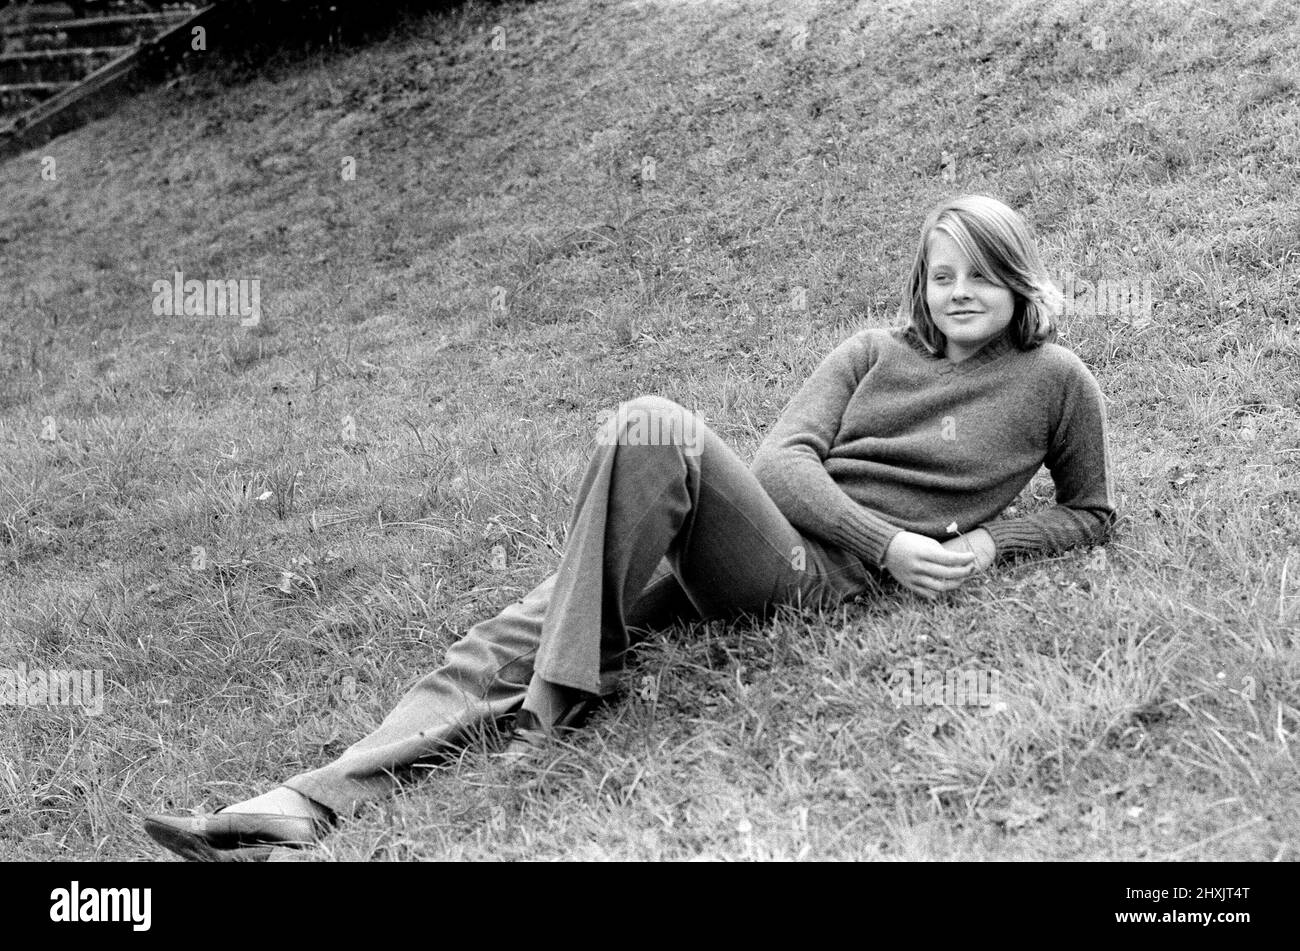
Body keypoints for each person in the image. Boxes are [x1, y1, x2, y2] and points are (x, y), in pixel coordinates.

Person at [143, 194, 1117, 860]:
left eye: (982, 275)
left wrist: (989, 543)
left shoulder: (1054, 383)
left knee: (654, 424)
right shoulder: (872, 351)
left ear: (1020, 279)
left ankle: (545, 712)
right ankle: (302, 806)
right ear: (921, 281)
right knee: (494, 641)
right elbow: (781, 462)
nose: (959, 293)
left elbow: (1091, 515)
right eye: (942, 274)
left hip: (803, 575)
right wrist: (888, 537)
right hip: (757, 532)